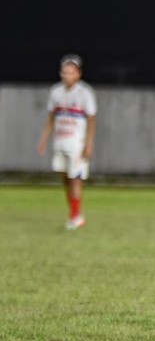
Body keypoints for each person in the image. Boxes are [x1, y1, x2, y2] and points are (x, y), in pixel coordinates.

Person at [36, 53, 97, 231]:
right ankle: (75, 212)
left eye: (71, 72)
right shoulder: (56, 92)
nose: (67, 75)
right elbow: (51, 118)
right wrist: (43, 139)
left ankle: (75, 216)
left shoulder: (85, 93)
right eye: (64, 72)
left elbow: (92, 120)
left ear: (78, 73)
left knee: (75, 178)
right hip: (60, 141)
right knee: (65, 178)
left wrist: (89, 144)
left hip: (77, 143)